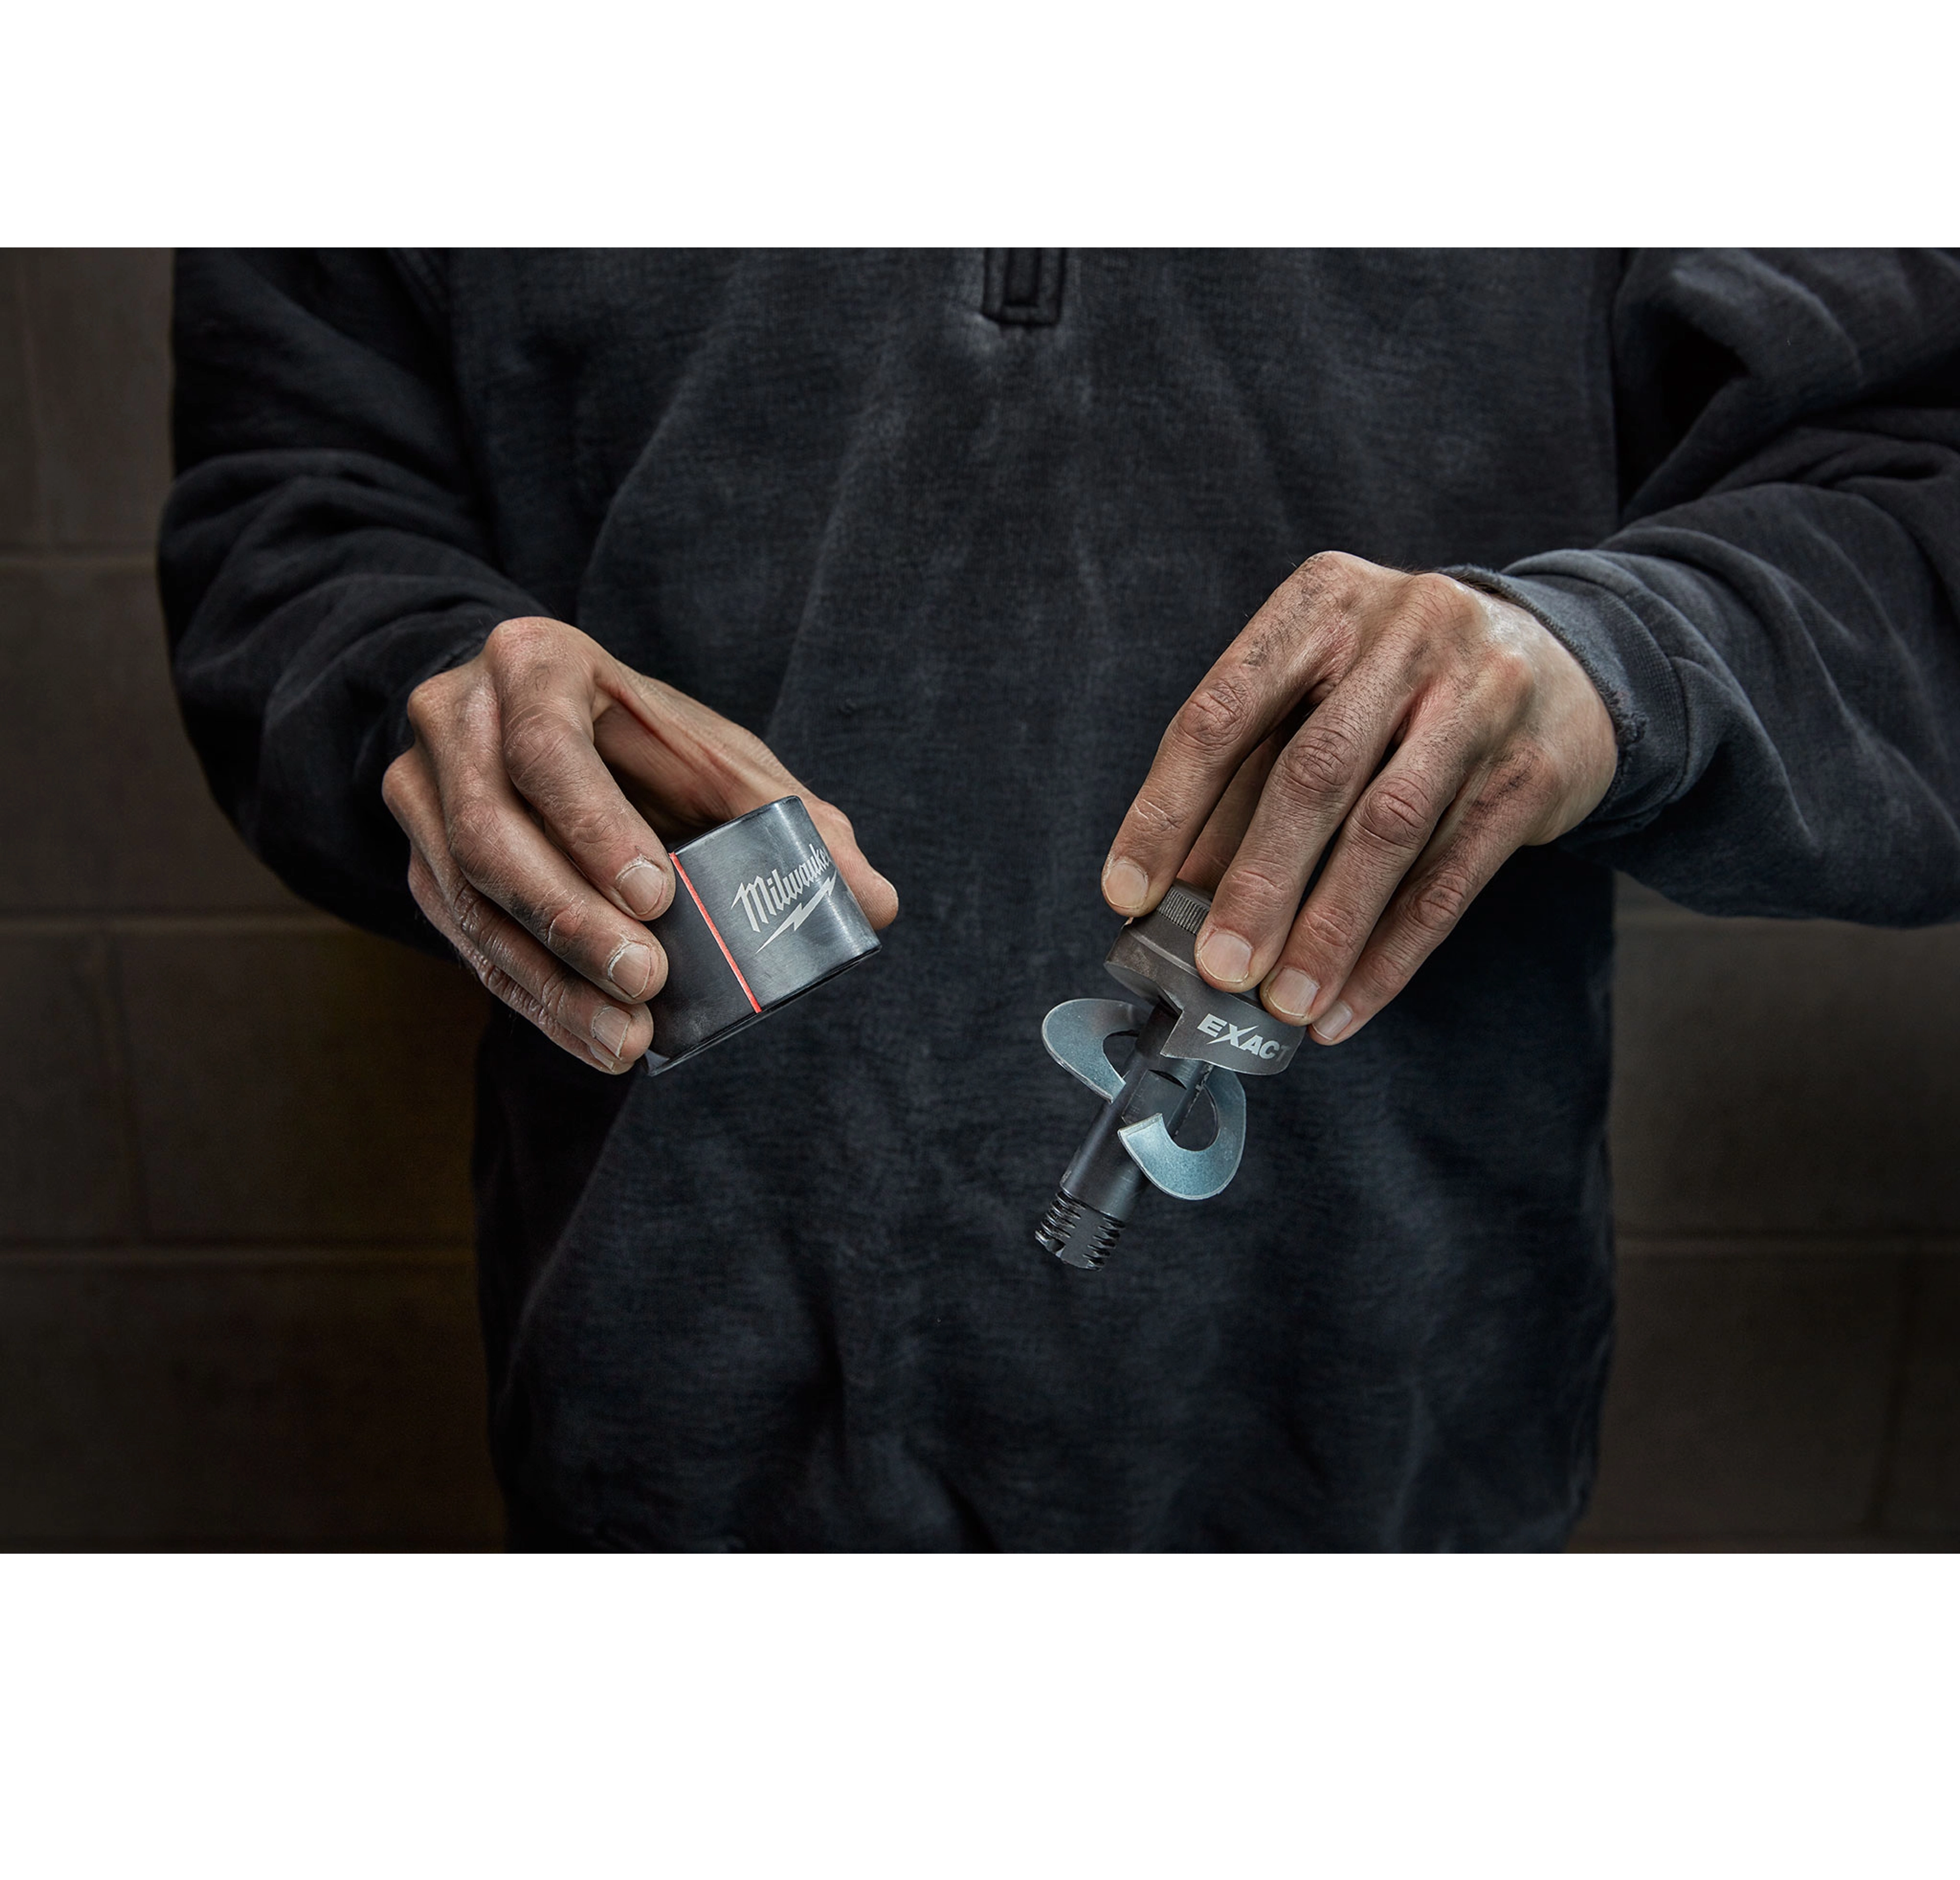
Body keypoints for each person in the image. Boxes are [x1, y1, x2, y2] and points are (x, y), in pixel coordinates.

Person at [161, 247, 1960, 1553]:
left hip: (1374, 1439)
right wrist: (421, 688)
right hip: (668, 1427)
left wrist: (1616, 661)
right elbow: (291, 504)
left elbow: (1911, 500)